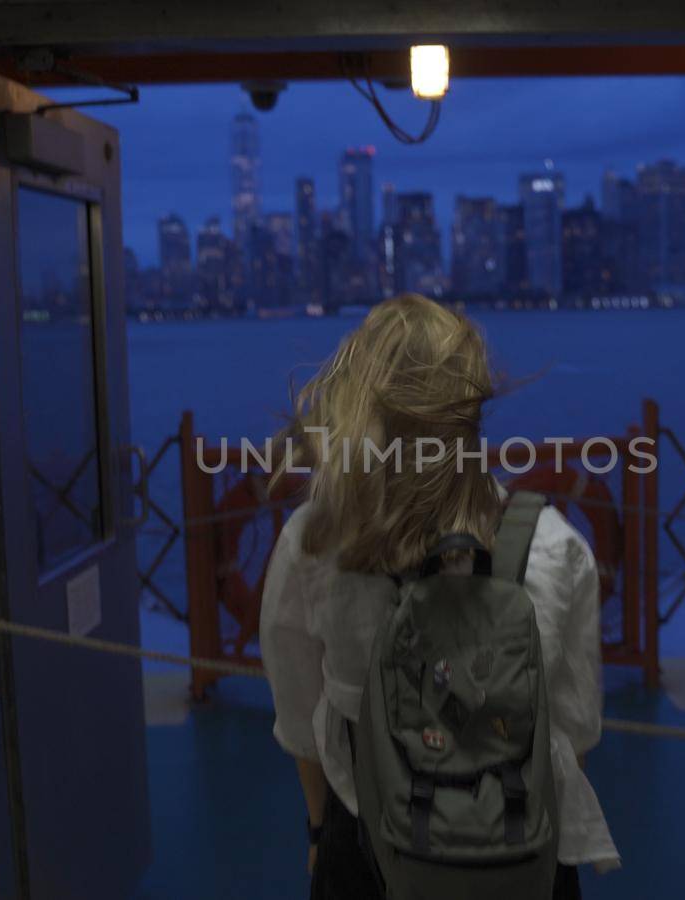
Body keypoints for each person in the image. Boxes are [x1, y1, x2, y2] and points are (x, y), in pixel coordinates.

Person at [260, 293, 619, 899]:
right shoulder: (555, 548)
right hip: (523, 854)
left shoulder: (315, 545)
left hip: (366, 852)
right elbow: (574, 734)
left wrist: (321, 833)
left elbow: (301, 723)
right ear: (473, 408)